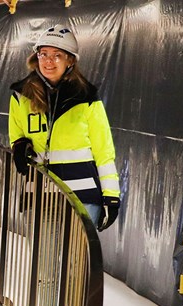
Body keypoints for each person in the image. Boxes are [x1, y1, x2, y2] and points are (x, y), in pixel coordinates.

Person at [8, 24, 121, 231]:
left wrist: (111, 196)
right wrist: (19, 146)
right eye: (44, 54)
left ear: (70, 60)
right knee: (42, 261)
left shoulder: (86, 97)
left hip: (83, 196)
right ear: (36, 57)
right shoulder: (20, 97)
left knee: (75, 262)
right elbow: (16, 136)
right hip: (41, 194)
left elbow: (104, 152)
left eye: (57, 55)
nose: (48, 61)